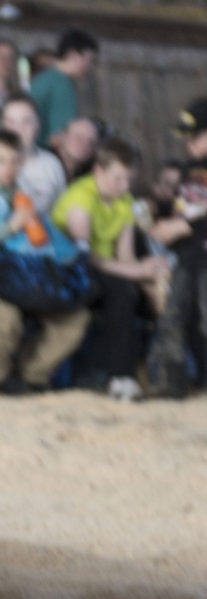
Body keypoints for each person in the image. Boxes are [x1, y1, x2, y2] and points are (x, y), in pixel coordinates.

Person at [0, 130, 90, 393]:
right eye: (1, 161)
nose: (8, 168)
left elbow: (42, 241)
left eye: (14, 161)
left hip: (28, 275)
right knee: (6, 317)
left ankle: (32, 373)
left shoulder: (23, 196)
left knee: (75, 318)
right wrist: (10, 227)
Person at [52, 137, 170, 402]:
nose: (125, 186)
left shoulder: (125, 200)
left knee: (152, 288)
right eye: (118, 178)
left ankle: (164, 372)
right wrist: (136, 272)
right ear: (98, 171)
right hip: (68, 271)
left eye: (129, 179)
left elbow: (125, 255)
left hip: (106, 271)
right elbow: (84, 258)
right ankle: (121, 377)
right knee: (122, 291)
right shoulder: (79, 198)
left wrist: (149, 270)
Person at [146, 99, 207, 398]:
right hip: (188, 256)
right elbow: (187, 207)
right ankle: (173, 382)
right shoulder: (191, 169)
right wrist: (160, 210)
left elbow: (193, 218)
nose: (188, 143)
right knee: (175, 316)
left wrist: (181, 227)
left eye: (195, 136)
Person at [29, 29, 98, 147]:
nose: (90, 67)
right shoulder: (62, 85)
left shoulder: (45, 77)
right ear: (72, 55)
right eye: (89, 60)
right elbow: (58, 137)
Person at [0, 93, 66, 214]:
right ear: (2, 126)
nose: (18, 129)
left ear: (37, 124)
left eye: (26, 121)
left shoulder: (52, 164)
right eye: (11, 122)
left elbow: (62, 211)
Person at [54, 116, 99, 182]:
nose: (84, 143)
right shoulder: (43, 164)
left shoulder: (88, 177)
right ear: (63, 136)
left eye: (90, 141)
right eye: (78, 137)